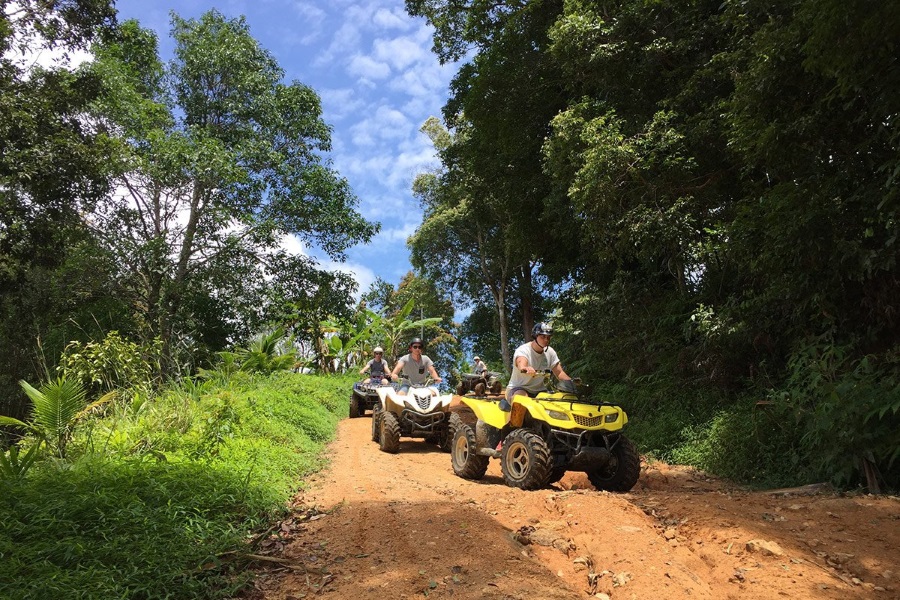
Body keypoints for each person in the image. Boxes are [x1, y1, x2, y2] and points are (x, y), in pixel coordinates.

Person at [501, 322, 572, 411]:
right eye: (543, 336)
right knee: (521, 402)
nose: (546, 340)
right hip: (519, 389)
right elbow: (521, 363)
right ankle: (515, 425)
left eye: (548, 337)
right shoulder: (523, 350)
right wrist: (525, 368)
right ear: (535, 336)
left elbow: (560, 373)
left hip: (541, 392)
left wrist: (572, 383)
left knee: (562, 403)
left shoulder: (550, 352)